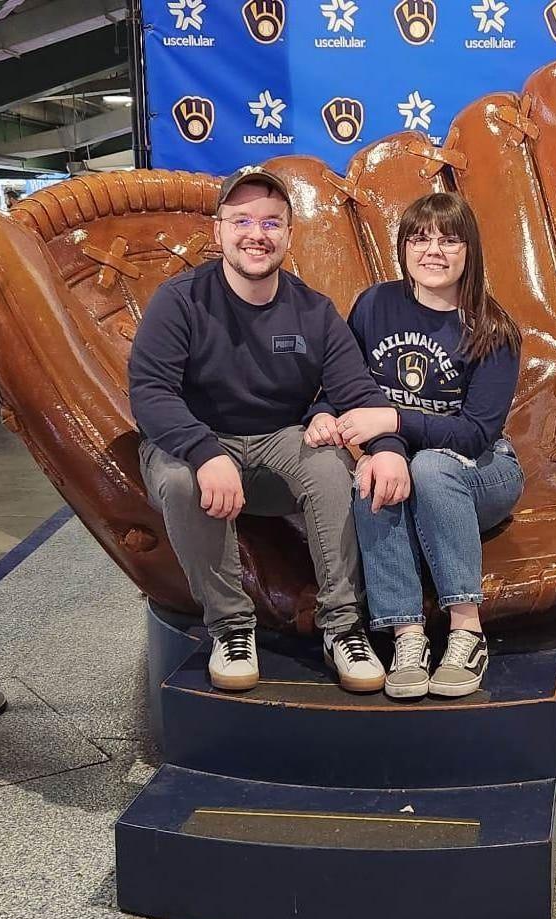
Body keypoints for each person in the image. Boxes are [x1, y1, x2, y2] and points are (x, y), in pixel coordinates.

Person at [128, 165, 410, 694]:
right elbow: (150, 392)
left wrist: (389, 447)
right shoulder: (180, 299)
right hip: (195, 439)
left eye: (271, 222)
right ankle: (231, 627)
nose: (256, 234)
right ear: (218, 231)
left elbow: (356, 390)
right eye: (241, 221)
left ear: (288, 234)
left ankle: (342, 625)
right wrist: (203, 451)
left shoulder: (314, 311)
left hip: (277, 440)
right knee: (183, 481)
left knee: (332, 465)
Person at [305, 192, 523, 699]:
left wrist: (393, 420)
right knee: (372, 475)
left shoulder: (493, 329)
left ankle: (467, 631)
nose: (433, 251)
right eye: (420, 239)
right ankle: (407, 636)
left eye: (449, 240)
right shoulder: (375, 305)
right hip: (405, 463)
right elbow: (342, 384)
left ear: (470, 251)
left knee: (428, 468)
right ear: (402, 247)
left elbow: (475, 433)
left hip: (481, 472)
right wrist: (321, 414)